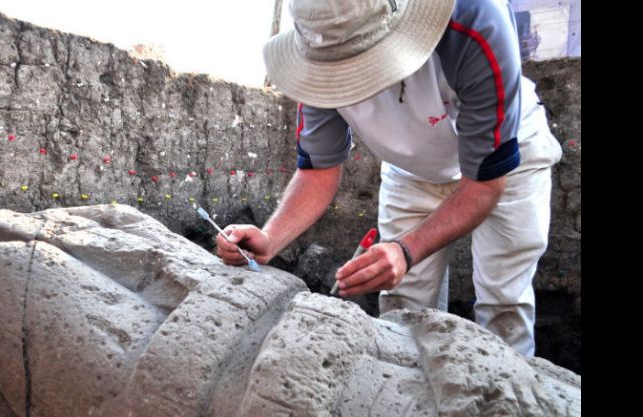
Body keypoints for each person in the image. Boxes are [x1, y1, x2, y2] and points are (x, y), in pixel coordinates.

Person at [215, 0, 562, 357]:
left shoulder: (474, 22)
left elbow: (483, 185)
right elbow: (318, 172)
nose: (350, 82)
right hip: (411, 167)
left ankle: (503, 399)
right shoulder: (320, 50)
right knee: (403, 306)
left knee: (504, 304)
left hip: (507, 161)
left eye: (358, 66)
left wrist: (407, 250)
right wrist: (271, 238)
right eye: (339, 69)